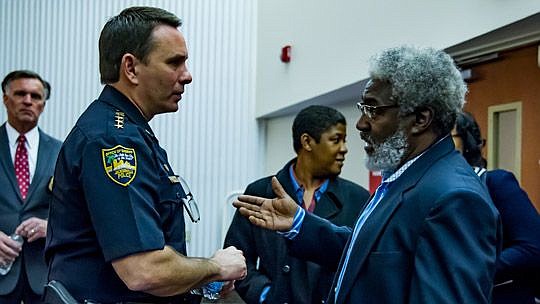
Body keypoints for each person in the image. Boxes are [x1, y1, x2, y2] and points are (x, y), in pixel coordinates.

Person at [233, 46, 502, 304]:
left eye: (373, 110)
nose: (361, 124)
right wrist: (300, 224)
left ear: (420, 119)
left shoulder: (454, 198)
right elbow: (364, 252)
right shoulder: (405, 178)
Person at [44, 6, 246, 303]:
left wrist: (201, 279)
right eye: (174, 63)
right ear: (131, 68)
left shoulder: (130, 131)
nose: (187, 76)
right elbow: (142, 270)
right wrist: (216, 267)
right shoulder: (113, 140)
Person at [224, 105, 370, 303]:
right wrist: (265, 295)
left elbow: (361, 264)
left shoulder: (358, 198)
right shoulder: (260, 192)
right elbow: (237, 257)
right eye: (336, 140)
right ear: (307, 142)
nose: (344, 149)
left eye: (344, 141)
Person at [453, 111, 540, 304]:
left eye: (448, 137)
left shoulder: (495, 183)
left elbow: (533, 247)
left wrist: (471, 270)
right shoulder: (424, 191)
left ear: (466, 141)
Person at [0, 70, 61, 303]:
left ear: (43, 105)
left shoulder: (61, 152)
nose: (28, 101)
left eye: (35, 96)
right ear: (6, 99)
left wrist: (51, 226)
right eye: (20, 94)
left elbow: (78, 211)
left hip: (44, 275)